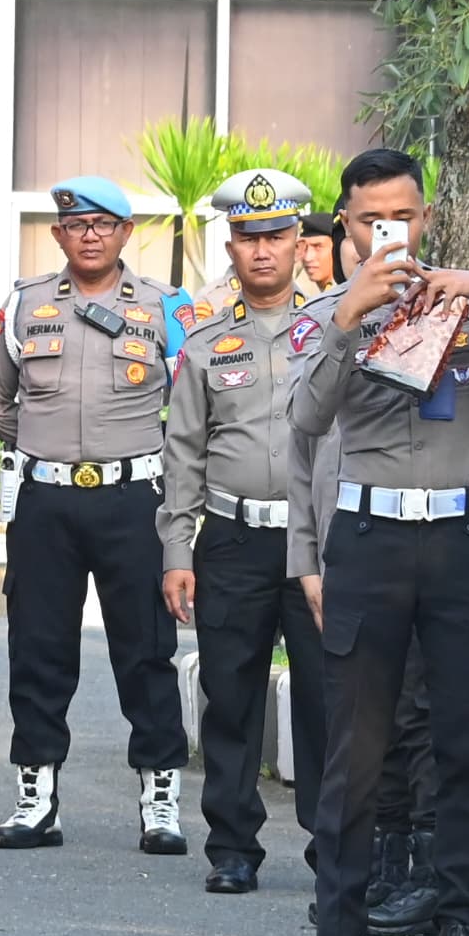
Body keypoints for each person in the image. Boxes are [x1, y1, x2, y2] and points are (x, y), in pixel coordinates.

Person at [275, 149, 469, 936]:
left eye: (403, 215)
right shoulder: (330, 311)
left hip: (463, 536)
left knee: (466, 742)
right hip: (370, 537)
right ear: (346, 226)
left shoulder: (462, 302)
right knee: (355, 748)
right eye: (370, 219)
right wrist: (346, 322)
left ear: (423, 217)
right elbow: (305, 420)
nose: (388, 230)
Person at [0, 176, 191, 852]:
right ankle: (36, 798)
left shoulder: (165, 307)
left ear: (127, 233)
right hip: (47, 503)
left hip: (135, 500)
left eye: (104, 223)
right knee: (37, 647)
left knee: (147, 648)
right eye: (77, 224)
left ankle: (160, 799)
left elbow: (192, 410)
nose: (91, 234)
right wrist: (46, 453)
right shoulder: (25, 303)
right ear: (58, 234)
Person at [161, 168, 331, 893]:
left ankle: (337, 846)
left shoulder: (333, 327)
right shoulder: (205, 341)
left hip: (317, 542)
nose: (262, 250)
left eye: (276, 235)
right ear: (229, 244)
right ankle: (232, 844)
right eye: (248, 237)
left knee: (329, 693)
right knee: (230, 695)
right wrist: (176, 547)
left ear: (300, 241)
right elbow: (184, 451)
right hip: (231, 537)